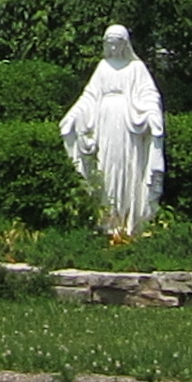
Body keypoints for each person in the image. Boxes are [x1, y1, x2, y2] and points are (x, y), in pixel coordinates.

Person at [59, 23, 166, 236]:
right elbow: (89, 96)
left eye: (117, 44)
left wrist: (153, 114)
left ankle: (128, 220)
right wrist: (72, 116)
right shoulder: (103, 67)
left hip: (128, 125)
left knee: (127, 168)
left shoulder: (136, 68)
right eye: (110, 44)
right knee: (106, 169)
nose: (114, 49)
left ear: (125, 44)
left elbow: (149, 94)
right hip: (104, 124)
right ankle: (108, 221)